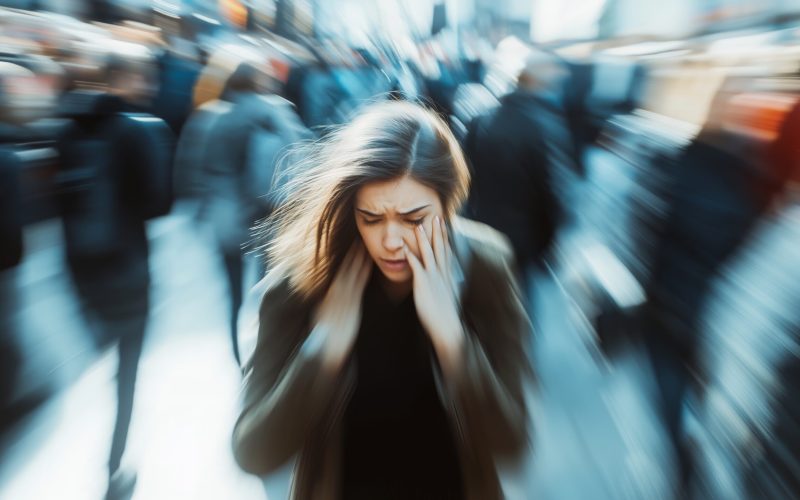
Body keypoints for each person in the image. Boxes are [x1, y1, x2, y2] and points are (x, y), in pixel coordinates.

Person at [232, 100, 532, 499]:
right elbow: (253, 452)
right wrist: (322, 350)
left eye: (414, 219)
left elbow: (510, 441)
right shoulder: (304, 278)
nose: (391, 241)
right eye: (371, 218)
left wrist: (453, 342)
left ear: (448, 207)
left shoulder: (485, 268)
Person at [55, 53, 173, 500]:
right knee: (127, 372)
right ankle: (114, 465)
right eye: (142, 78)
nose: (148, 86)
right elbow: (159, 202)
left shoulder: (67, 130)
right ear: (121, 78)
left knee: (106, 358)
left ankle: (96, 448)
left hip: (81, 271)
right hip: (128, 269)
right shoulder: (134, 130)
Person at [176, 61, 311, 365]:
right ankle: (266, 347)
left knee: (234, 293)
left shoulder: (210, 117)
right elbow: (297, 155)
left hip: (226, 217)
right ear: (259, 83)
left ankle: (237, 353)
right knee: (268, 286)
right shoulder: (274, 112)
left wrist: (199, 213)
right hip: (267, 213)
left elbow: (194, 171)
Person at [463, 51, 571, 292]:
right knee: (512, 304)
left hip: (478, 233)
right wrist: (548, 248)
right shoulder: (545, 128)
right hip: (521, 245)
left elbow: (463, 178)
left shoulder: (482, 120)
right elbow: (552, 195)